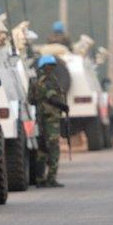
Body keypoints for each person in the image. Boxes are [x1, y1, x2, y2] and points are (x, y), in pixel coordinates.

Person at [28, 55, 68, 187]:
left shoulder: (35, 80)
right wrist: (63, 106)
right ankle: (51, 179)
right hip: (51, 118)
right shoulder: (49, 80)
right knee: (54, 148)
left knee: (42, 149)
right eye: (49, 66)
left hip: (41, 117)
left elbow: (31, 100)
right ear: (44, 67)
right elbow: (52, 97)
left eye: (52, 66)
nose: (51, 68)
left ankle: (39, 179)